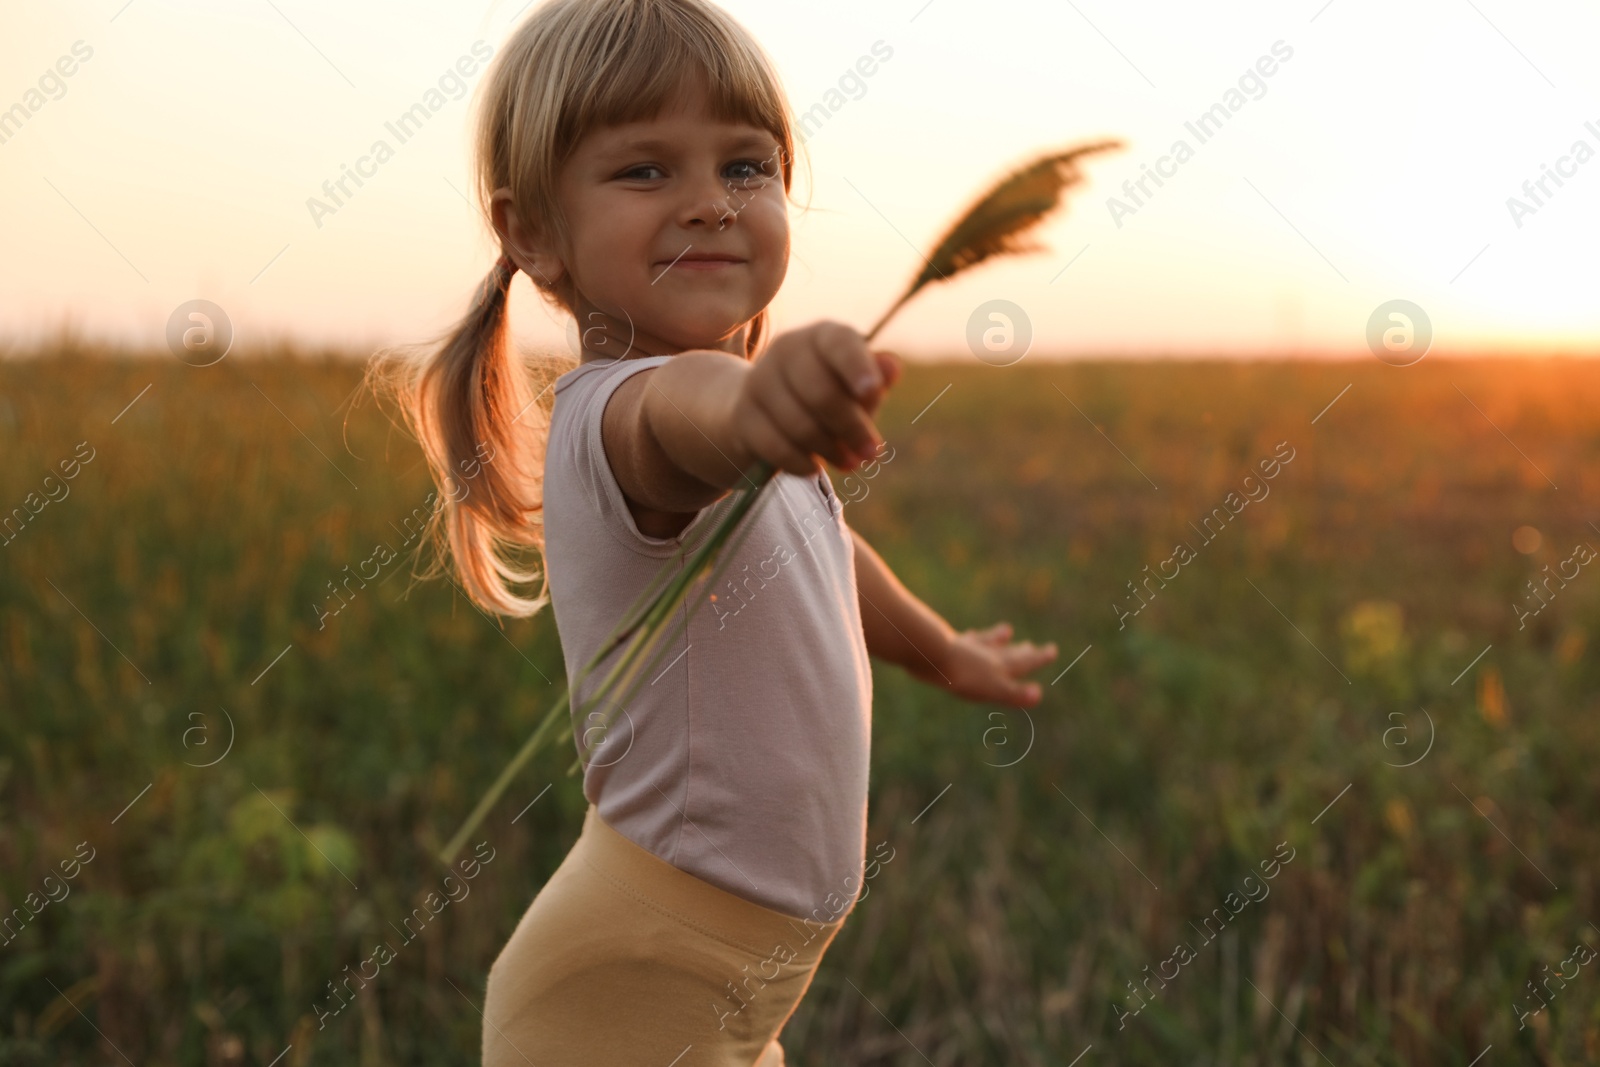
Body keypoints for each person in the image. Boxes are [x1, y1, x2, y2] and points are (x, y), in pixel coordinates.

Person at [377, 0, 1057, 1061]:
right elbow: (691, 415)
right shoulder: (617, 417)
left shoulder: (744, 439)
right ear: (533, 233)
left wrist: (944, 650)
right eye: (645, 172)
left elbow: (830, 557)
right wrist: (759, 400)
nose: (709, 205)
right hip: (624, 985)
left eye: (745, 168)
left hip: (726, 984)